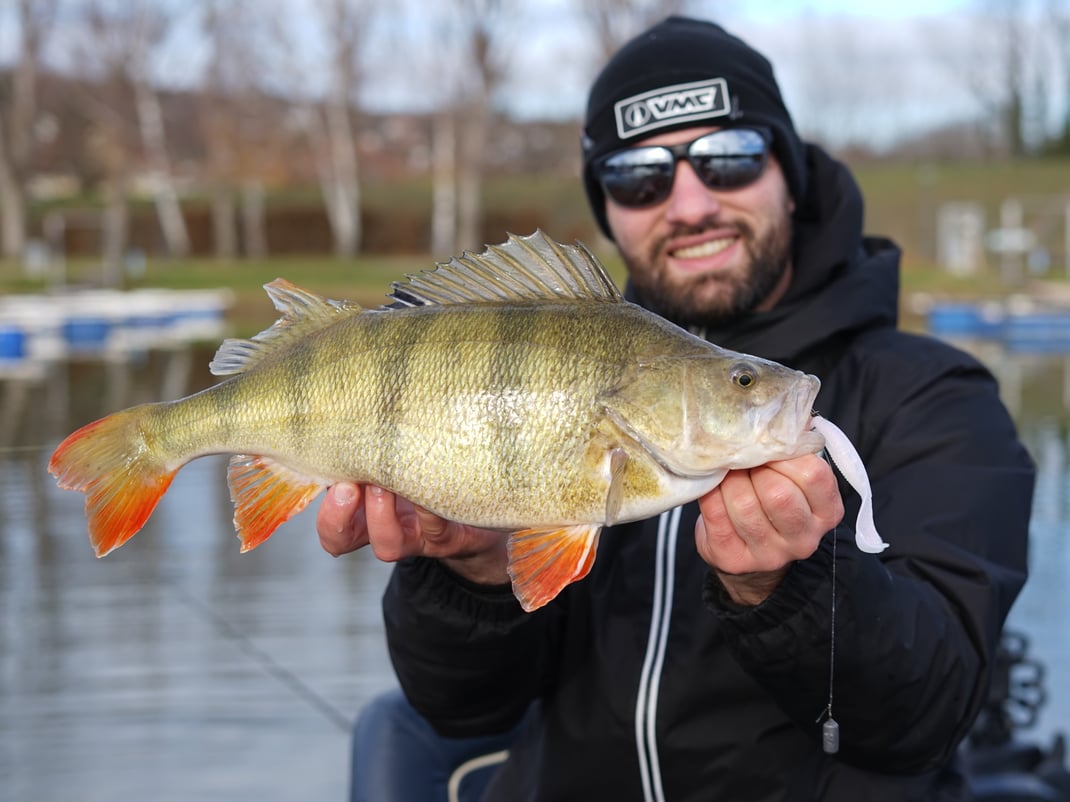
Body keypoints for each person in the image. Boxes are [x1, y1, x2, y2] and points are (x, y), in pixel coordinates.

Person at [317, 16, 1036, 802]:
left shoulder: (935, 399)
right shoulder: (564, 366)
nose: (690, 203)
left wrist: (788, 591)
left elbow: (927, 714)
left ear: (789, 175)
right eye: (639, 176)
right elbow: (460, 707)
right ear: (609, 209)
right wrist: (474, 574)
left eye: (729, 159)